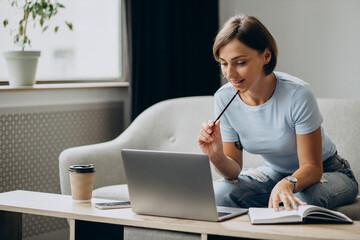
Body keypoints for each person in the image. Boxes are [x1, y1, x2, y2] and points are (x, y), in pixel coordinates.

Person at [198, 15, 358, 211]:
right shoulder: (224, 98)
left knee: (304, 199)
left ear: (266, 56)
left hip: (328, 171)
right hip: (275, 173)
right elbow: (233, 171)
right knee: (220, 193)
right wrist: (216, 155)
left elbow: (313, 168)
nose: (230, 73)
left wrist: (287, 184)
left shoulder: (298, 93)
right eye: (224, 63)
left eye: (240, 62)